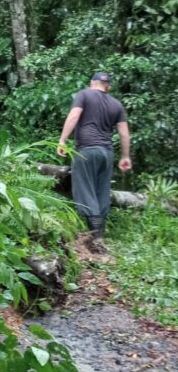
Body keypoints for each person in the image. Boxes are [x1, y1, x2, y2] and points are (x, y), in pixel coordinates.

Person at [57, 72, 131, 253]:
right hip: (107, 153)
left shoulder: (84, 94)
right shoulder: (116, 104)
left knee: (84, 190)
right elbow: (124, 133)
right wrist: (125, 156)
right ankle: (99, 234)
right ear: (108, 86)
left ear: (92, 83)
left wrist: (63, 140)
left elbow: (74, 115)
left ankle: (96, 238)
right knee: (101, 192)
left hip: (86, 151)